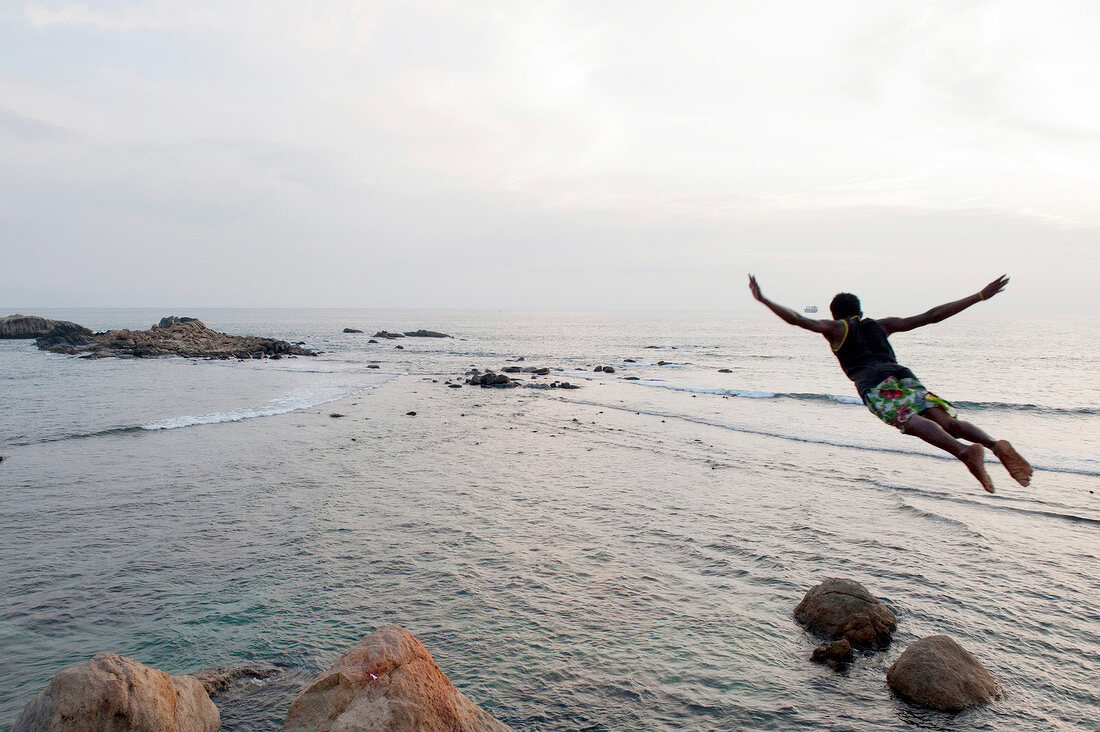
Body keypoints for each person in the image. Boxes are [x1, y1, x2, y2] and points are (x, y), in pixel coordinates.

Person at [747, 273, 1032, 493]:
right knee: (949, 423)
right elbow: (931, 317)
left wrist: (764, 300)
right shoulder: (881, 325)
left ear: (835, 314)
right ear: (860, 310)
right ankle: (993, 445)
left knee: (908, 420)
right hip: (904, 376)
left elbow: (798, 319)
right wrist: (979, 295)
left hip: (875, 384)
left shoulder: (837, 329)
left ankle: (965, 452)